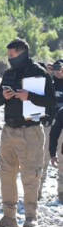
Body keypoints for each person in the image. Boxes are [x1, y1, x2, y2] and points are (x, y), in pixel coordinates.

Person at [0, 39, 55, 227]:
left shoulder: (39, 73)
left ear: (23, 52)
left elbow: (50, 102)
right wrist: (6, 96)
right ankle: (9, 217)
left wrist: (30, 97)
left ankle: (31, 217)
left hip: (31, 131)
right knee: (6, 173)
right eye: (9, 56)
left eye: (12, 55)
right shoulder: (9, 74)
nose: (10, 59)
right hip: (9, 130)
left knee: (31, 174)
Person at [47, 60, 63, 203]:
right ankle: (37, 192)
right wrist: (47, 72)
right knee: (43, 158)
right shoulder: (49, 82)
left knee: (62, 160)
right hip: (50, 122)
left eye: (61, 69)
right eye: (56, 69)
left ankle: (61, 194)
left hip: (62, 123)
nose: (59, 71)